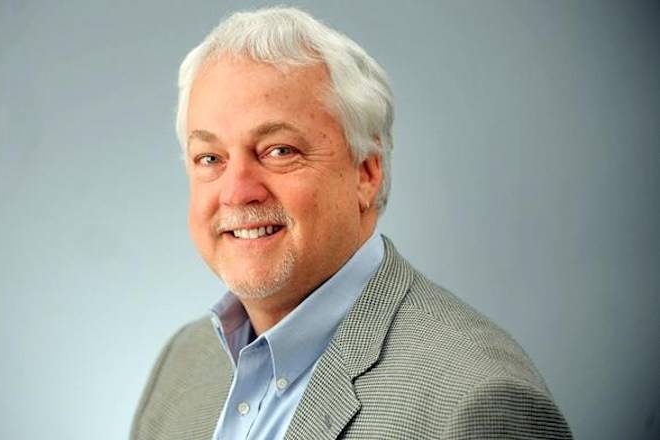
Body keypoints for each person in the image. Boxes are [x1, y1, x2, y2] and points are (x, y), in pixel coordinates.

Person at [131, 6, 571, 440]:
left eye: (279, 150)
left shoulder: (478, 399)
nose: (236, 191)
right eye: (210, 158)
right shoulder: (182, 365)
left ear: (366, 172)